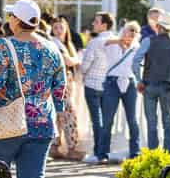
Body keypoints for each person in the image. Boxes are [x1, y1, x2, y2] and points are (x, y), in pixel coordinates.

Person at [0, 0, 65, 178]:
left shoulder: (3, 45)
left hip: (6, 123)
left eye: (11, 16)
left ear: (17, 20)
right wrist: (59, 114)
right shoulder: (52, 47)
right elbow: (60, 86)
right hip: (42, 123)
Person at [133, 12, 170, 153]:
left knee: (151, 122)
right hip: (168, 85)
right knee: (167, 121)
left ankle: (153, 154)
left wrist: (139, 80)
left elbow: (135, 62)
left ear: (158, 27)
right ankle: (168, 154)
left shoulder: (148, 41)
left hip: (149, 84)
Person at [99, 21, 141, 162]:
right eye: (129, 30)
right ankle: (102, 153)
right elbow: (101, 44)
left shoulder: (137, 48)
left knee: (132, 120)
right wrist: (119, 40)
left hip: (130, 82)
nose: (131, 33)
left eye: (134, 31)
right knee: (107, 119)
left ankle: (135, 153)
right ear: (123, 31)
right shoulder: (112, 44)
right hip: (112, 82)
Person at [80, 11, 115, 163]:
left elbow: (86, 65)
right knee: (106, 120)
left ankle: (98, 153)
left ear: (104, 25)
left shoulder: (95, 42)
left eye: (96, 21)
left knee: (96, 120)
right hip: (109, 84)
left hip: (93, 84)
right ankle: (104, 152)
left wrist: (81, 71)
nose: (93, 24)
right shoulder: (116, 41)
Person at [51, 17, 85, 160]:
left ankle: (57, 147)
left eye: (61, 28)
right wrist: (78, 58)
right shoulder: (54, 43)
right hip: (59, 83)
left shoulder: (67, 44)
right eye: (55, 28)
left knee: (61, 115)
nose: (58, 31)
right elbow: (69, 60)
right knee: (68, 114)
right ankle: (71, 147)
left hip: (67, 82)